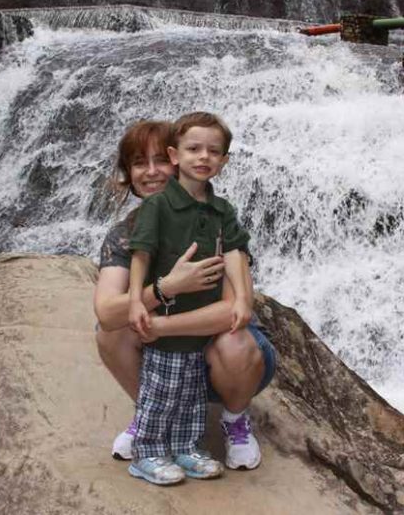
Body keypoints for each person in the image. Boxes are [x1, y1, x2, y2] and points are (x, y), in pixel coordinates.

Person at [93, 116, 277, 479]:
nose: (151, 172)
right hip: (168, 358)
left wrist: (160, 324)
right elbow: (107, 311)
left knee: (234, 342)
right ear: (128, 174)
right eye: (138, 163)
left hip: (230, 361)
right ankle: (152, 420)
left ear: (176, 161)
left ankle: (235, 420)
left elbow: (233, 308)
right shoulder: (125, 234)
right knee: (110, 331)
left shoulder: (213, 219)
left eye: (160, 160)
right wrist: (166, 288)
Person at [124, 112, 253, 485]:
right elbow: (141, 253)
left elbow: (233, 253)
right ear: (174, 155)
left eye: (214, 151)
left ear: (224, 161)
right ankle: (146, 452)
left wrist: (242, 298)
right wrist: (136, 301)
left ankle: (186, 448)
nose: (204, 157)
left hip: (199, 328)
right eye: (194, 149)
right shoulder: (158, 206)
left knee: (191, 396)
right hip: (165, 325)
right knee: (160, 393)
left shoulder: (220, 209)